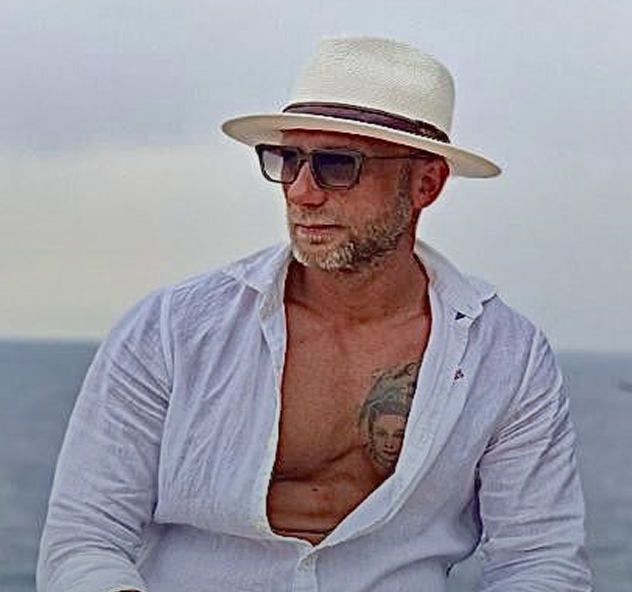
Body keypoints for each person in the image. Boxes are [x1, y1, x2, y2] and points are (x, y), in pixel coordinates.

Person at [37, 36, 592, 591]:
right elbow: (85, 538)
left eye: (336, 164)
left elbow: (539, 561)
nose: (301, 192)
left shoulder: (507, 357)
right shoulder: (173, 329)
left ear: (426, 183)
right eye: (287, 160)